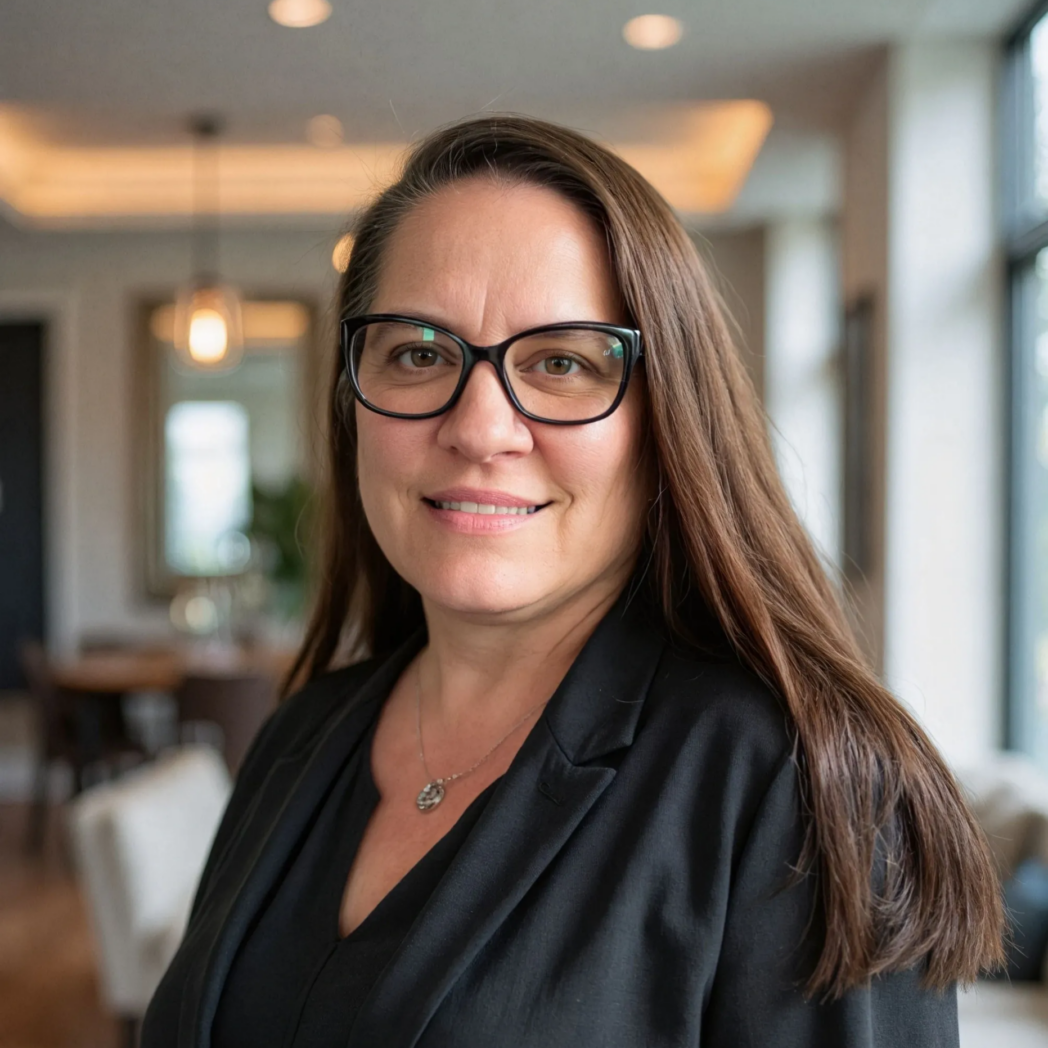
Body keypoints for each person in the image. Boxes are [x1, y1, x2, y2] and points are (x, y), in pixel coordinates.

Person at [141, 114, 1004, 1048]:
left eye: (561, 363)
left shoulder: (801, 788)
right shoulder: (303, 737)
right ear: (353, 401)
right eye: (420, 351)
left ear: (669, 416)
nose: (479, 429)